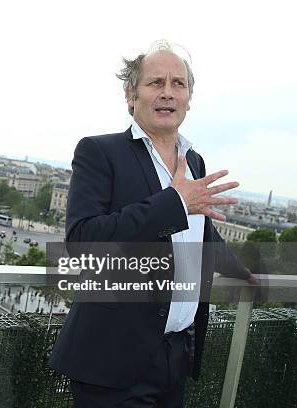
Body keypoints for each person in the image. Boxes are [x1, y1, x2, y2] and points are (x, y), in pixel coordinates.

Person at [48, 41, 258, 408]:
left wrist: (248, 271)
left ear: (189, 99)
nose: (167, 93)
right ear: (131, 95)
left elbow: (199, 234)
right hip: (112, 361)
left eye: (178, 84)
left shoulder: (194, 160)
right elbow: (83, 241)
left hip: (175, 356)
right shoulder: (99, 152)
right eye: (155, 82)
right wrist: (174, 202)